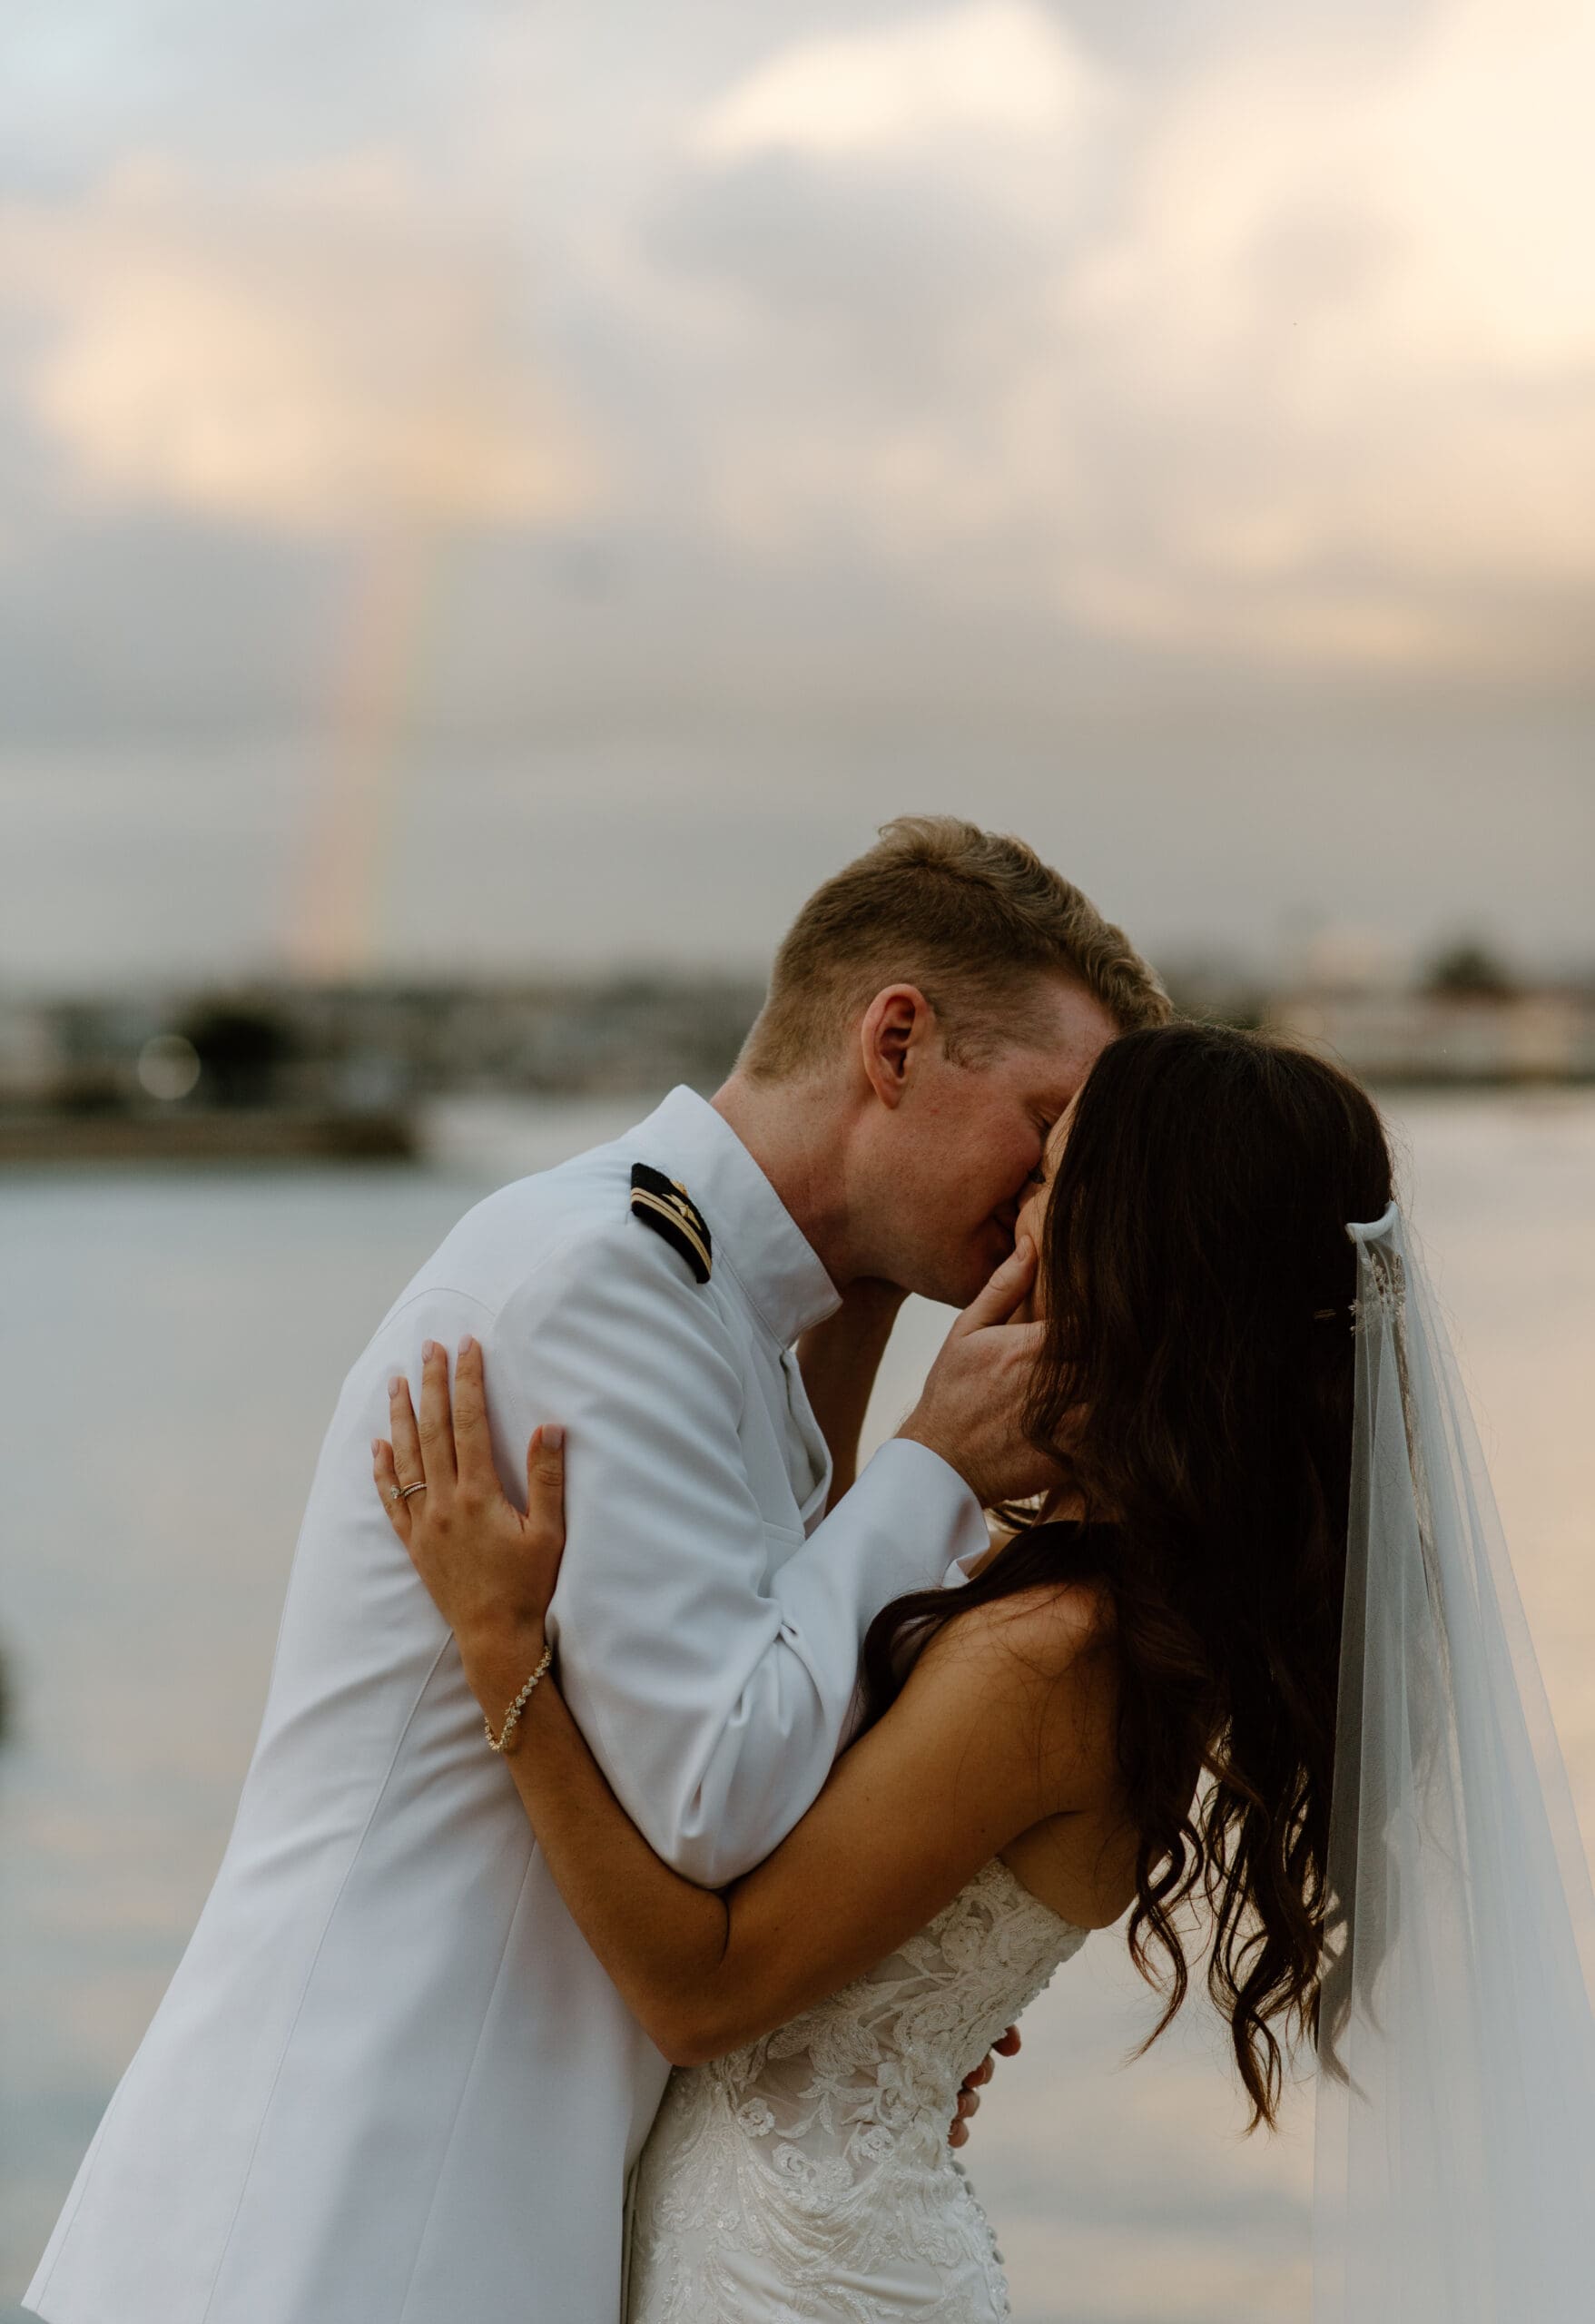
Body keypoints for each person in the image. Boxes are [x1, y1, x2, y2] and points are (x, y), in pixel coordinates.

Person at [25, 817, 1167, 2324]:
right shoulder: (602, 1293)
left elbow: (771, 1745)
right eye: (1041, 1119)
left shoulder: (714, 1310)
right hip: (338, 2223)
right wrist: (935, 1468)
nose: (1046, 1198)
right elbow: (715, 1802)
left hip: (445, 2226)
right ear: (895, 1042)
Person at [375, 1020, 1403, 2319]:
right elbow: (816, 1699)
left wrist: (501, 1655)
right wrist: (852, 1310)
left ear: (1135, 1249)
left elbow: (699, 1993)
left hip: (805, 2285)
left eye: (1050, 1181)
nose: (1013, 1214)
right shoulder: (1111, 1600)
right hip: (791, 2252)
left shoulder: (1053, 1658)